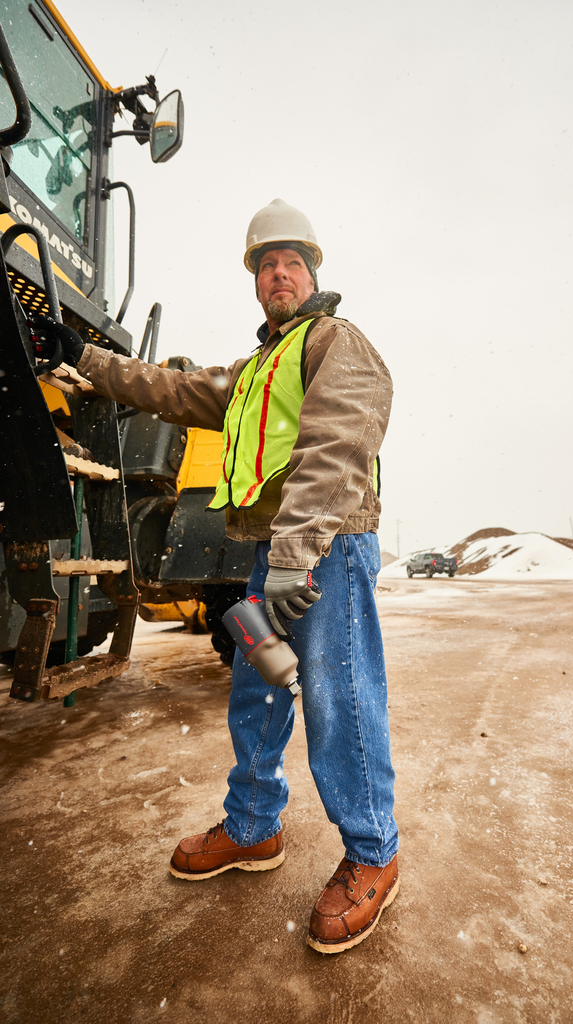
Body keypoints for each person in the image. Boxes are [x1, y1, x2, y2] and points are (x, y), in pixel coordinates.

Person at [44, 198, 399, 953]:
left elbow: (335, 451)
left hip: (322, 553)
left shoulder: (337, 343)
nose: (278, 274)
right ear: (255, 281)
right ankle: (252, 829)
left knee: (339, 700)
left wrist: (293, 560)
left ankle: (374, 854)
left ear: (312, 274)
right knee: (257, 693)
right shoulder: (254, 371)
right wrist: (89, 360)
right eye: (266, 265)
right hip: (268, 556)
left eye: (290, 263)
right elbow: (172, 392)